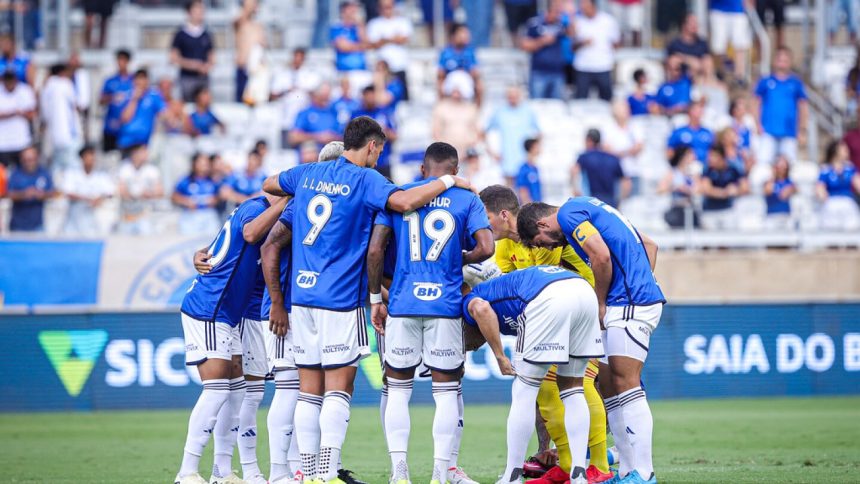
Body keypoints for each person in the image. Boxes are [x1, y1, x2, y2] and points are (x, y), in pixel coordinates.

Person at [261, 116, 473, 483]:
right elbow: (405, 201)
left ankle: (306, 474)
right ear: (372, 146)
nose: (379, 157)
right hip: (340, 300)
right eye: (380, 150)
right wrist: (450, 180)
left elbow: (268, 184)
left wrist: (308, 191)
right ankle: (325, 474)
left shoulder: (306, 173)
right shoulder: (367, 179)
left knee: (308, 391)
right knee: (338, 389)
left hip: (302, 299)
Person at [367, 141, 494, 484]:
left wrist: (375, 298)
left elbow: (376, 250)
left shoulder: (398, 195)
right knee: (447, 391)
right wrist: (458, 259)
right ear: (455, 172)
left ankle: (399, 473)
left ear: (423, 170)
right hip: (445, 305)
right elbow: (486, 247)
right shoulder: (468, 198)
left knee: (397, 390)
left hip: (403, 303)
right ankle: (440, 473)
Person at [516, 198, 665, 484]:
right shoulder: (591, 209)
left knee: (626, 382)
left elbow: (601, 256)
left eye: (542, 241)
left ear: (543, 223)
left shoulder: (570, 213)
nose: (549, 248)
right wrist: (641, 279)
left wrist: (603, 301)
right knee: (609, 386)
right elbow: (650, 245)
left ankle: (645, 474)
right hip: (628, 299)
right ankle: (624, 472)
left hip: (628, 303)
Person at [478, 185, 610, 484]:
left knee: (567, 385)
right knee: (561, 388)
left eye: (486, 217)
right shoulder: (502, 247)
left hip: (578, 305)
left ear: (503, 214)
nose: (483, 226)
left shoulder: (541, 232)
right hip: (558, 308)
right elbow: (510, 289)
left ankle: (596, 465)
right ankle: (572, 466)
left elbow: (537, 284)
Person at [174, 188, 287, 484]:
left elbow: (214, 251)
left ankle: (222, 472)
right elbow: (250, 235)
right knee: (217, 390)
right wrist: (287, 201)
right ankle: (186, 471)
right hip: (211, 308)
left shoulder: (249, 209)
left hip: (228, 312)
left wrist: (198, 254)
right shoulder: (254, 209)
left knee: (237, 391)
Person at [464, 266, 603, 484]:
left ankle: (512, 475)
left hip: (546, 296)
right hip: (584, 292)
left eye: (465, 343)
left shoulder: (471, 300)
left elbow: (481, 310)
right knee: (573, 388)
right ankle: (579, 473)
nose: (469, 348)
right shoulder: (499, 289)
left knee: (524, 390)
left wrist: (500, 356)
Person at [754, 47, 808, 164]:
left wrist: (802, 129)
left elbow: (803, 106)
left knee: (790, 165)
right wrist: (757, 123)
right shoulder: (766, 81)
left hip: (789, 131)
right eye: (780, 60)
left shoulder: (796, 83)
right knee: (763, 163)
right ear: (774, 61)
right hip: (768, 130)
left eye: (785, 60)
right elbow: (756, 102)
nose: (782, 63)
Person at [484, 85, 540, 185]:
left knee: (526, 193)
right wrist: (492, 152)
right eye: (510, 96)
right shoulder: (500, 112)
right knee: (510, 192)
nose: (513, 99)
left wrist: (534, 152)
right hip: (507, 159)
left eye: (515, 96)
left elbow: (539, 133)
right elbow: (484, 132)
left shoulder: (528, 111)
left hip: (524, 159)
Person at [519, 0, 573, 100]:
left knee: (556, 108)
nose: (558, 14)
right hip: (539, 73)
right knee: (538, 105)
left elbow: (572, 34)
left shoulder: (561, 24)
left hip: (558, 73)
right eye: (556, 11)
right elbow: (524, 45)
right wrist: (542, 41)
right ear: (548, 10)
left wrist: (570, 16)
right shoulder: (535, 23)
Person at [61, 145, 114, 236]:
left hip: (92, 220)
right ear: (82, 158)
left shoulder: (101, 175)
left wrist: (100, 199)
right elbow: (67, 192)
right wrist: (88, 199)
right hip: (74, 220)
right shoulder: (72, 173)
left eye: (93, 155)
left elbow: (110, 192)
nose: (91, 158)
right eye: (88, 156)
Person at [572, 0, 620, 101]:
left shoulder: (608, 21)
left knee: (606, 100)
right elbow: (572, 47)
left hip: (603, 66)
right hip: (583, 67)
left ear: (593, 6)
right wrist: (582, 43)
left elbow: (616, 42)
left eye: (585, 6)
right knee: (580, 101)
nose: (583, 8)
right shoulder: (577, 21)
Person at [572, 129, 630, 209]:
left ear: (589, 140)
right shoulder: (613, 158)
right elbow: (626, 183)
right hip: (611, 203)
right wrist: (619, 201)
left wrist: (576, 191)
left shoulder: (585, 157)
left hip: (592, 202)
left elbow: (574, 172)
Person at [171, 0, 215, 102]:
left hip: (203, 79)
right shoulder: (181, 34)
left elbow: (212, 55)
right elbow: (173, 57)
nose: (200, 13)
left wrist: (207, 66)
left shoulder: (206, 34)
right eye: (197, 10)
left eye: (202, 10)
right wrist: (193, 65)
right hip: (187, 79)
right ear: (189, 12)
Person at [366, 0, 412, 98]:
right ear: (379, 8)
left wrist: (384, 39)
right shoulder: (374, 23)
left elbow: (404, 39)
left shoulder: (402, 21)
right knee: (380, 98)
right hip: (382, 70)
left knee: (402, 99)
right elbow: (373, 44)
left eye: (389, 7)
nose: (387, 10)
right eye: (384, 7)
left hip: (399, 67)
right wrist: (394, 38)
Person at [432, 72, 481, 161]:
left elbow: (477, 132)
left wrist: (469, 150)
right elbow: (436, 133)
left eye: (459, 91)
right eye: (454, 91)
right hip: (447, 156)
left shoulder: (471, 109)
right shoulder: (441, 108)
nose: (456, 94)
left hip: (468, 155)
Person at [40, 64, 81, 171]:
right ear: (62, 73)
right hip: (69, 135)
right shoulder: (65, 83)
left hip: (53, 136)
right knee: (73, 169)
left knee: (55, 170)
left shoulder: (46, 87)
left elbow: (44, 114)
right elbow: (77, 104)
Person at [351, 85, 397, 178]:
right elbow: (350, 137)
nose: (371, 98)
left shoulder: (384, 112)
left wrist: (383, 132)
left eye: (373, 95)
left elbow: (394, 136)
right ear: (363, 96)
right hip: (362, 164)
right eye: (368, 95)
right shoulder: (356, 115)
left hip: (382, 161)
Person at [117, 144, 162, 235]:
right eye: (142, 152)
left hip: (145, 215)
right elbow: (120, 191)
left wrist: (149, 193)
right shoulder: (124, 168)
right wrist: (137, 194)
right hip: (127, 215)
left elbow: (160, 192)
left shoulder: (152, 170)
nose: (146, 154)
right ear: (134, 153)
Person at [172, 152, 221, 236]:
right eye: (201, 162)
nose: (204, 165)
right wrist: (186, 201)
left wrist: (214, 200)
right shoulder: (186, 180)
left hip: (208, 214)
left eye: (206, 163)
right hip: (191, 215)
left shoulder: (213, 180)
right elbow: (174, 196)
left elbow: (219, 196)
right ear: (194, 164)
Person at [7, 146, 55, 232]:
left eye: (31, 159)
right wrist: (24, 194)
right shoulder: (15, 174)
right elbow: (9, 194)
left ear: (37, 158)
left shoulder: (44, 173)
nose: (29, 163)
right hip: (17, 226)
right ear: (21, 160)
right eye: (26, 160)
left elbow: (52, 193)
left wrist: (41, 195)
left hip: (38, 225)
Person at [117, 69, 166, 152]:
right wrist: (134, 99)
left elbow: (165, 114)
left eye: (143, 78)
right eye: (138, 78)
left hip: (143, 145)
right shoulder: (126, 96)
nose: (140, 82)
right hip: (127, 143)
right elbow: (125, 119)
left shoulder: (154, 96)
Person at [701, 144, 747, 230]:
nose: (710, 159)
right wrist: (724, 193)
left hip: (727, 209)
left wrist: (736, 190)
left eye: (713, 156)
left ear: (721, 156)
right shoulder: (707, 169)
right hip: (710, 210)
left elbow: (744, 187)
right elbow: (706, 189)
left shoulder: (733, 168)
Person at [817, 140, 860, 230]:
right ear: (836, 151)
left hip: (847, 202)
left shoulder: (850, 168)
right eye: (844, 149)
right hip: (832, 202)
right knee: (831, 232)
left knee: (852, 230)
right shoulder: (826, 170)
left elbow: (858, 184)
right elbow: (820, 187)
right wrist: (824, 197)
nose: (847, 151)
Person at [438, 24, 482, 105]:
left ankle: (476, 111)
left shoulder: (470, 52)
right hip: (450, 81)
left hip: (466, 80)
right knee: (441, 86)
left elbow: (474, 70)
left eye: (466, 34)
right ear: (454, 36)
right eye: (462, 33)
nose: (465, 36)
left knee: (480, 87)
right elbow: (440, 72)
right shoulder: (446, 52)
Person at [290, 83, 340, 153]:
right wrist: (318, 137)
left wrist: (333, 138)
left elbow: (341, 134)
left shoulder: (333, 112)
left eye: (328, 97)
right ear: (316, 96)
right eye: (323, 97)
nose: (326, 100)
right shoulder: (305, 113)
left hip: (331, 154)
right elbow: (294, 137)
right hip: (311, 155)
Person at [658, 145, 700, 229]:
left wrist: (689, 190)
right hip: (676, 208)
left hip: (691, 209)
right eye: (690, 154)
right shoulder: (672, 173)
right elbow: (660, 190)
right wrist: (675, 188)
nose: (693, 157)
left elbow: (699, 190)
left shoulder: (694, 173)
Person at [100, 50, 134, 152]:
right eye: (119, 60)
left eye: (123, 60)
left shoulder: (133, 81)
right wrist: (113, 97)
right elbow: (101, 100)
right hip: (111, 127)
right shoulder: (110, 81)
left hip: (126, 129)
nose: (120, 63)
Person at [0, 70, 36, 168]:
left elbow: (32, 114)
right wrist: (14, 112)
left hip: (21, 141)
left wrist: (21, 113)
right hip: (3, 143)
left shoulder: (24, 90)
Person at [709, 0, 751, 81]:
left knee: (740, 45)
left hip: (738, 9)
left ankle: (739, 77)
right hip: (718, 9)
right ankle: (720, 74)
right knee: (718, 47)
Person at [234, 0, 266, 103]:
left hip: (256, 72)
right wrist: (249, 4)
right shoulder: (240, 23)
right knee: (242, 103)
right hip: (243, 69)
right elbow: (239, 21)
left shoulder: (258, 26)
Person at [330, 1, 368, 73]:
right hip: (343, 71)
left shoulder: (359, 27)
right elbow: (343, 47)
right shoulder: (336, 27)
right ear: (343, 10)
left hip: (361, 70)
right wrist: (360, 46)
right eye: (350, 7)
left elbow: (367, 44)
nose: (354, 10)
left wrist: (360, 24)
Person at [763, 155, 796, 229]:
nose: (782, 168)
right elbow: (768, 190)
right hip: (772, 216)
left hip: (786, 216)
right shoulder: (769, 182)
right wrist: (773, 174)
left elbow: (793, 190)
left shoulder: (790, 182)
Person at [516, 138, 543, 203]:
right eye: (537, 146)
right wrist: (529, 207)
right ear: (532, 148)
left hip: (538, 207)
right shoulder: (523, 168)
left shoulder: (535, 168)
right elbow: (522, 190)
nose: (540, 149)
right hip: (530, 209)